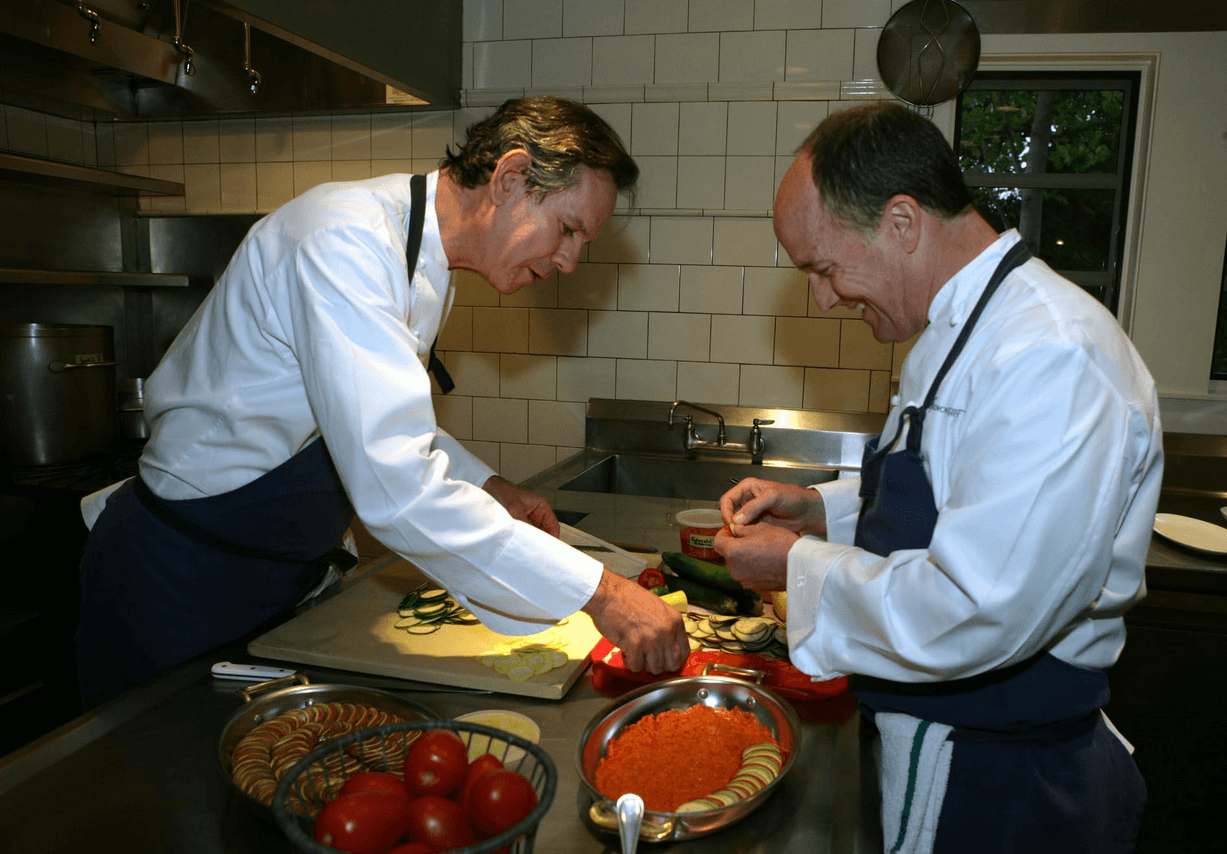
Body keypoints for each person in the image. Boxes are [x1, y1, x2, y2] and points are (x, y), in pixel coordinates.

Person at [76, 95, 689, 708]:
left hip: (269, 577)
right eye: (569, 229)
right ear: (509, 178)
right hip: (179, 579)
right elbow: (395, 485)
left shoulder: (422, 261)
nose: (570, 262)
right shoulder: (344, 241)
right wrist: (603, 594)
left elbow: (367, 417)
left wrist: (488, 486)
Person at [715, 103, 1161, 852]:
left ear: (900, 222)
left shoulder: (1050, 356)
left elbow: (977, 604)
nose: (822, 299)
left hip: (1002, 782)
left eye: (823, 269)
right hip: (944, 742)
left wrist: (796, 566)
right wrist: (823, 511)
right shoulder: (951, 329)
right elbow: (955, 490)